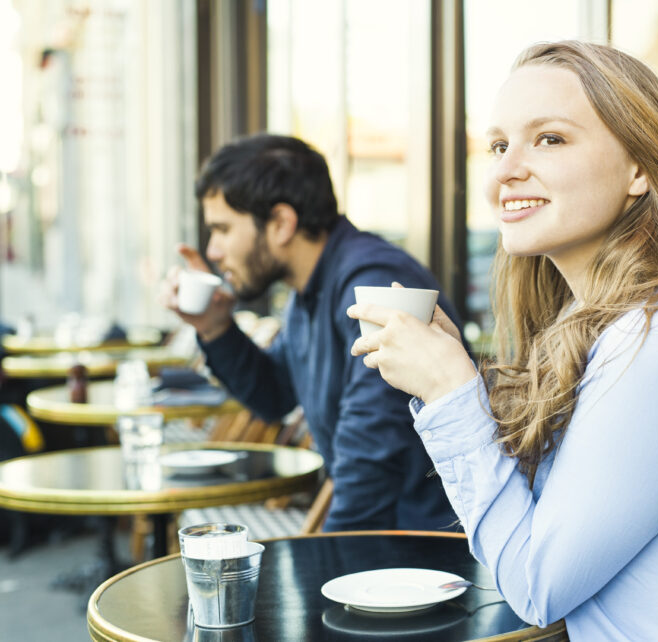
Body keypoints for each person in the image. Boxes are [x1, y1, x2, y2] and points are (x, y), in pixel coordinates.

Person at [348, 41, 658, 639]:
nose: (504, 171)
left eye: (549, 138)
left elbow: (537, 587)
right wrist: (459, 379)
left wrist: (453, 395)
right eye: (499, 145)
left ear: (640, 169)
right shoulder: (606, 329)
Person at [160, 134, 459, 532]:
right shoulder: (310, 291)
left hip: (423, 555)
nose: (212, 250)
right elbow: (274, 394)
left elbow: (372, 460)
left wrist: (324, 567)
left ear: (282, 223)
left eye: (222, 229)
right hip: (385, 541)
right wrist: (215, 328)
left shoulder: (373, 286)